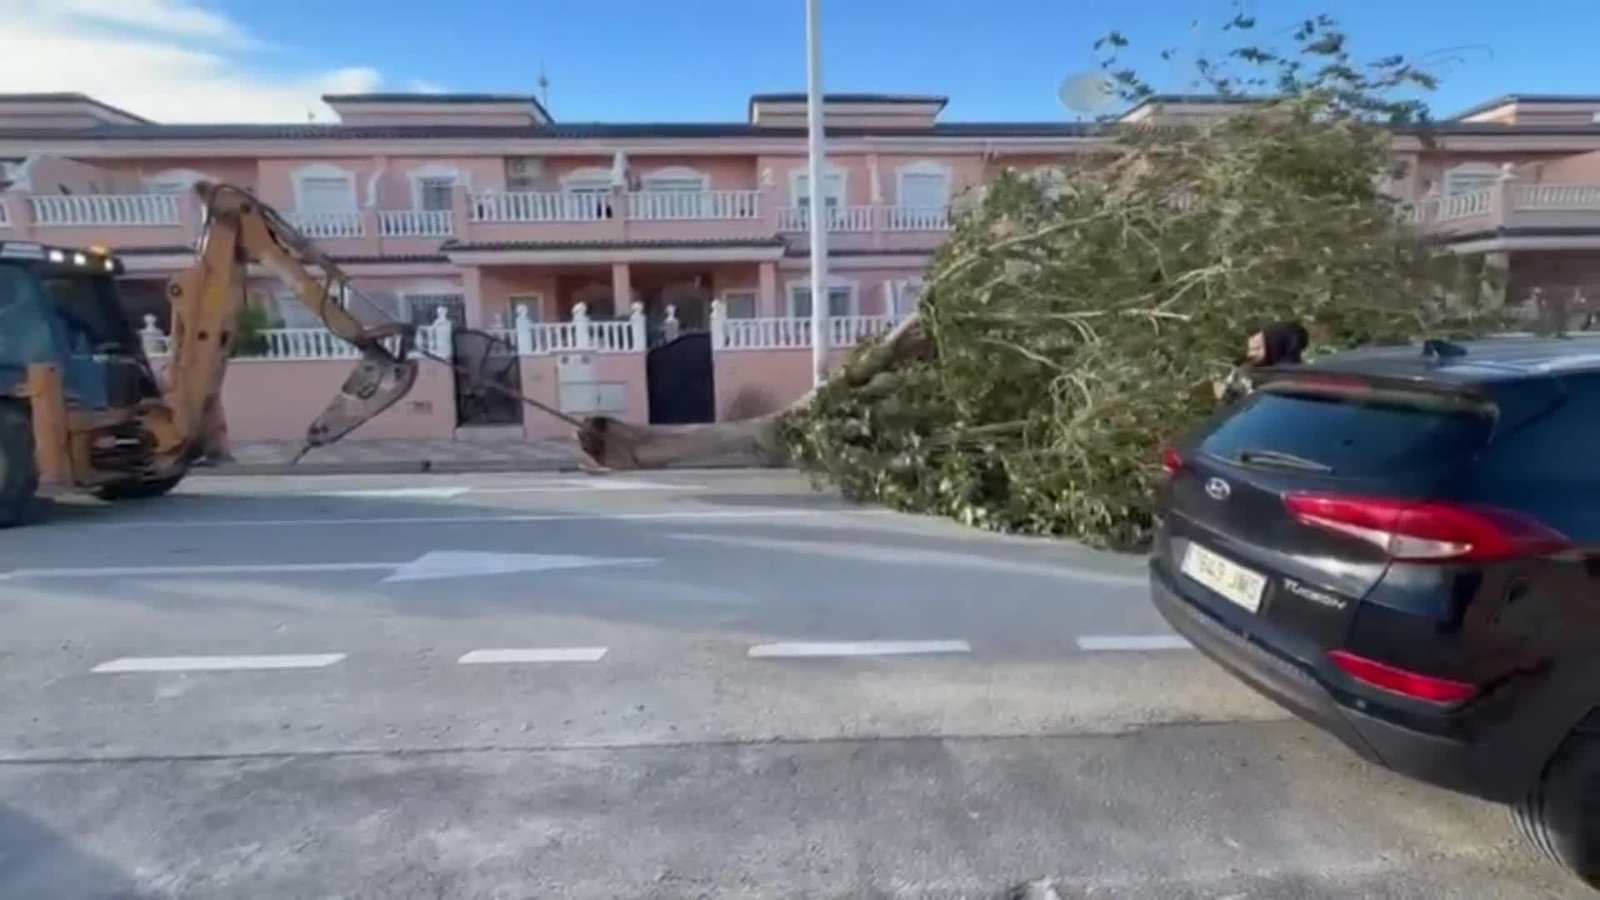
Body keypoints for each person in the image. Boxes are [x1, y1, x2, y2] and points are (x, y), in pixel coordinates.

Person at [1214, 321, 1308, 405]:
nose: (1251, 355)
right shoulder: (1247, 372)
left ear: (1275, 348)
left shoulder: (1292, 379)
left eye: (1257, 349)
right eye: (1250, 349)